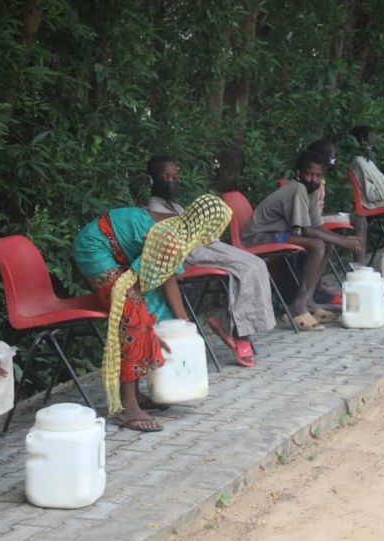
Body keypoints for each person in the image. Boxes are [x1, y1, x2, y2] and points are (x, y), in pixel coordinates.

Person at [73, 194, 232, 432]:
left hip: (119, 254)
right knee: (133, 315)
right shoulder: (171, 235)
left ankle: (135, 392)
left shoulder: (180, 229)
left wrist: (184, 322)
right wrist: (144, 320)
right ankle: (125, 407)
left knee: (159, 313)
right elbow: (134, 289)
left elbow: (168, 278)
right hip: (96, 247)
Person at [145, 155, 274, 368]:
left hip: (206, 245)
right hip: (189, 253)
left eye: (175, 177)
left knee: (257, 263)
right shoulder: (150, 212)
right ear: (150, 180)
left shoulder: (175, 206)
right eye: (164, 177)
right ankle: (241, 335)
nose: (171, 181)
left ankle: (227, 322)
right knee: (246, 268)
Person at [242, 151, 363, 331]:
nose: (313, 179)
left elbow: (317, 226)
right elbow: (308, 231)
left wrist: (341, 239)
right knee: (317, 245)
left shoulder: (311, 191)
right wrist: (342, 242)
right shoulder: (297, 188)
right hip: (257, 237)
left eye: (318, 176)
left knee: (326, 243)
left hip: (277, 233)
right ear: (298, 173)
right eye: (309, 174)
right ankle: (298, 305)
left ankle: (309, 301)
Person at [307, 139, 368, 264]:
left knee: (360, 219)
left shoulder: (320, 177)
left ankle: (360, 265)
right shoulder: (311, 178)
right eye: (332, 158)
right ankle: (360, 267)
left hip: (317, 216)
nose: (334, 161)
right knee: (359, 221)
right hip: (311, 221)